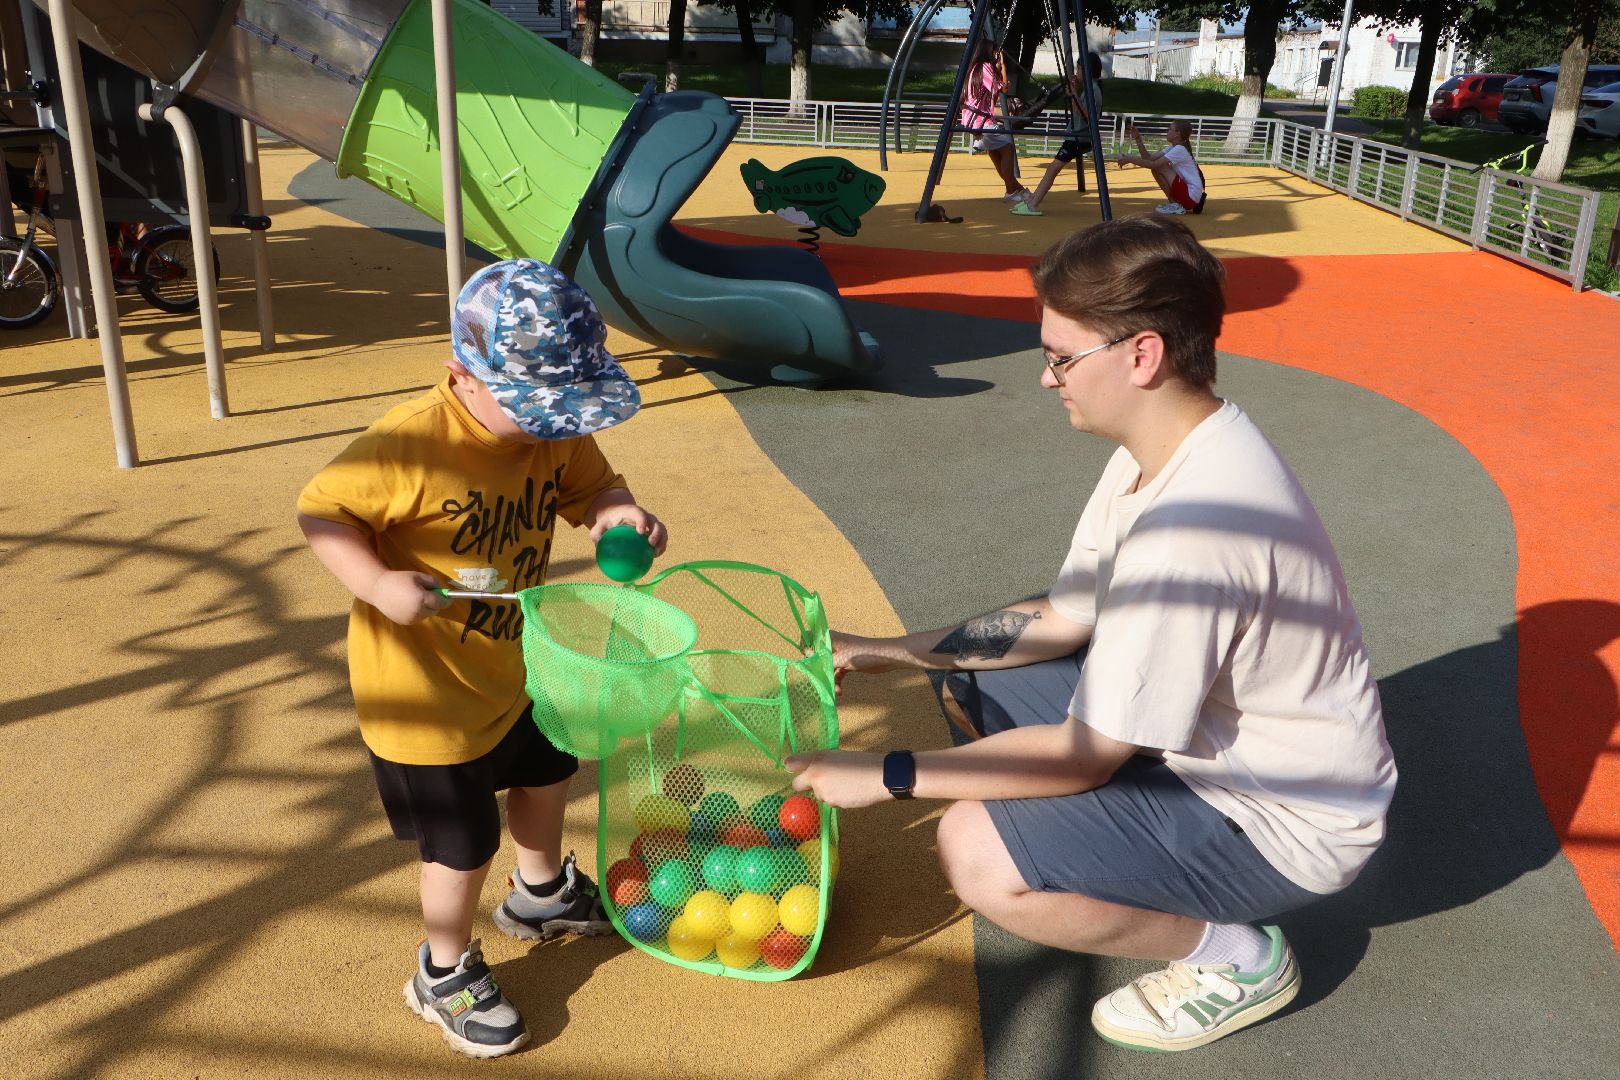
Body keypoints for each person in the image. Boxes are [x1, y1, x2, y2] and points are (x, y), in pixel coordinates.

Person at [787, 217, 1396, 1054]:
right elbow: (1060, 620)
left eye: (1061, 357)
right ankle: (1097, 842)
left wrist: (884, 773)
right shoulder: (1163, 445)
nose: (1046, 379)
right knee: (970, 675)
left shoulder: (1193, 531)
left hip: (1280, 822)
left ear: (1141, 354)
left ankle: (1236, 958)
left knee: (977, 849)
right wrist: (889, 649)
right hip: (1213, 750)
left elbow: (1083, 756)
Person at [296, 258, 667, 1059]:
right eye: (534, 407)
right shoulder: (409, 443)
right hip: (423, 696)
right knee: (460, 846)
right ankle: (443, 969)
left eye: (564, 409)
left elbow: (595, 488)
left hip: (516, 667)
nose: (551, 426)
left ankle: (540, 894)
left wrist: (618, 514)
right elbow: (323, 512)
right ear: (461, 376)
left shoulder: (553, 431)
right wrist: (375, 581)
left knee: (550, 768)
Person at [1011, 53, 1105, 218]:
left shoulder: (1093, 91)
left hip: (1079, 137)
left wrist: (1074, 94)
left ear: (1087, 70)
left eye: (1079, 68)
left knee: (1053, 169)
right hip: (1076, 136)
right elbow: (1079, 110)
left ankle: (1033, 203)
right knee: (1052, 169)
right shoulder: (1090, 89)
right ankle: (1032, 200)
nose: (1077, 71)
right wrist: (1073, 93)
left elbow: (1088, 117)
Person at [961, 39, 1029, 205]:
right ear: (989, 52)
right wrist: (1003, 67)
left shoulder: (974, 68)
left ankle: (1016, 187)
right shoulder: (985, 67)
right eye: (995, 52)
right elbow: (1003, 88)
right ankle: (1011, 191)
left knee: (995, 152)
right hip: (980, 119)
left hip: (972, 118)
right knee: (1007, 149)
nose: (997, 55)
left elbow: (996, 89)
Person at [1116, 119, 1207, 215]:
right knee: (1156, 168)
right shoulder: (1175, 147)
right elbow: (1149, 159)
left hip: (1190, 197)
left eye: (1170, 129)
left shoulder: (1179, 149)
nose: (1167, 132)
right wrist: (1138, 139)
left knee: (1160, 166)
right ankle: (1174, 204)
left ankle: (1175, 205)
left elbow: (1153, 164)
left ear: (1177, 134)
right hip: (1190, 196)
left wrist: (1129, 158)